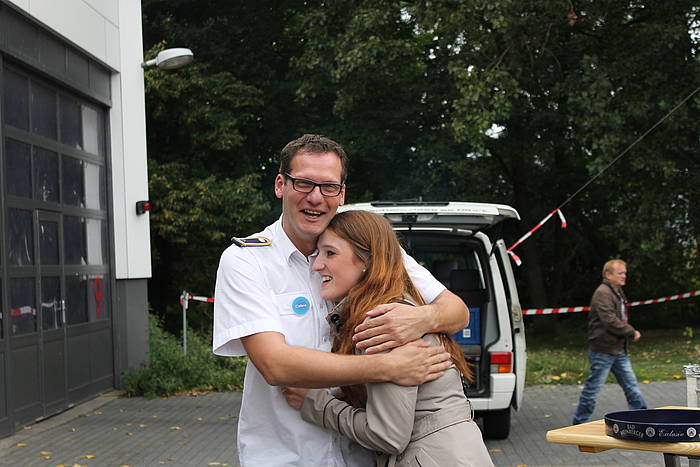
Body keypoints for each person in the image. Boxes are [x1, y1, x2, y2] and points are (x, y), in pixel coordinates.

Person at [213, 134, 469, 466]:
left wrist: (419, 319)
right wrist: (387, 367)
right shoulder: (247, 260)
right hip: (289, 457)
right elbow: (274, 365)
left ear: (342, 193)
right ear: (280, 185)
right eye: (304, 183)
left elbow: (456, 311)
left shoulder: (363, 245)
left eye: (328, 187)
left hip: (360, 456)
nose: (316, 197)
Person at [282, 210, 494, 467]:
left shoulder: (383, 324)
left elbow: (388, 436)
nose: (316, 265)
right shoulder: (398, 309)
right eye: (318, 253)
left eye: (330, 253)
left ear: (366, 261)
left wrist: (314, 402)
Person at [572, 259, 647, 425]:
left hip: (617, 349)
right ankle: (579, 422)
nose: (624, 276)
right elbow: (610, 320)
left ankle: (642, 419)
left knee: (631, 386)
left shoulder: (617, 292)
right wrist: (631, 332)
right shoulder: (603, 293)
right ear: (608, 275)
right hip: (603, 350)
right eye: (620, 273)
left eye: (625, 273)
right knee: (592, 390)